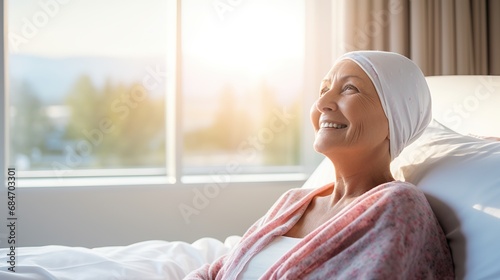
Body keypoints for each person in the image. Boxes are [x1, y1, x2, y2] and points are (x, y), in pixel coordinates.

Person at [185, 51, 454, 279]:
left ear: (395, 117)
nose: (322, 103)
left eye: (349, 88)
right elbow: (216, 271)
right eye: (323, 90)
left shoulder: (399, 204)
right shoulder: (293, 203)